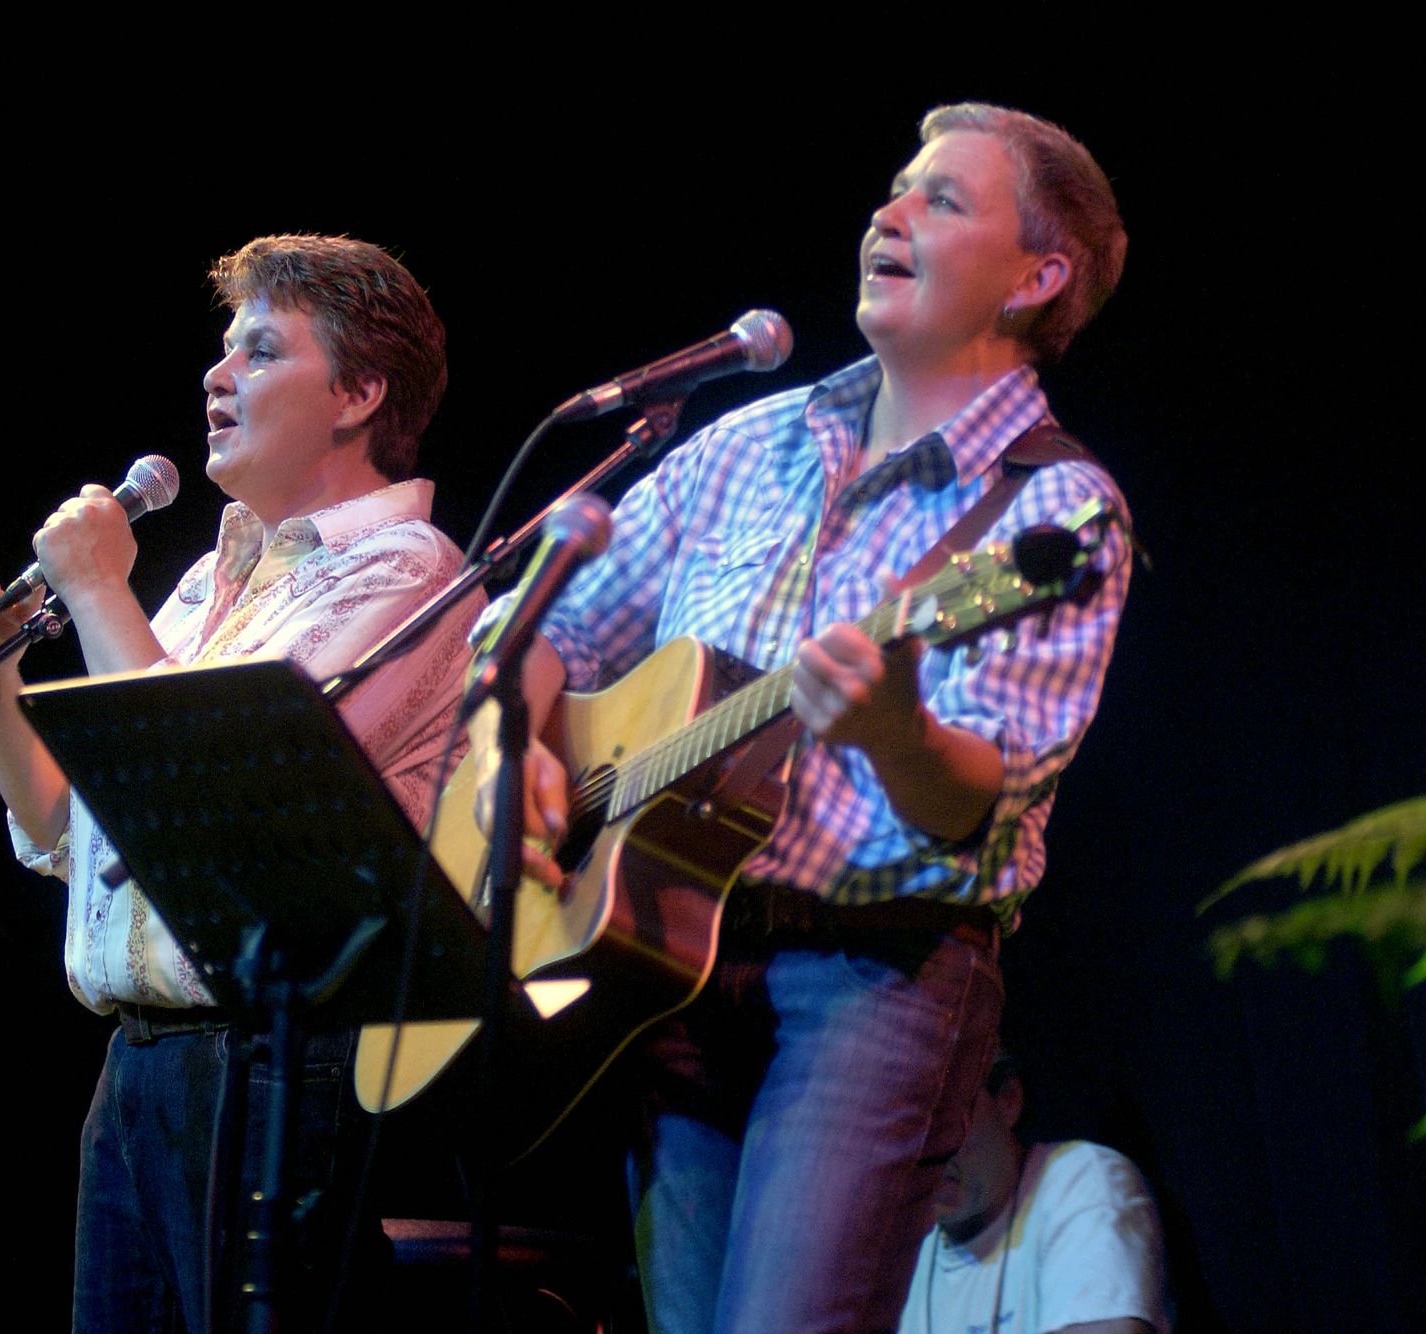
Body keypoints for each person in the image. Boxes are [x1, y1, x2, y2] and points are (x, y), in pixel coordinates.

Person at [481, 103, 1134, 1333]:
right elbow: (536, 629)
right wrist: (515, 761)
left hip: (874, 974)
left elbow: (969, 811)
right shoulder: (750, 441)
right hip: (668, 966)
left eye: (942, 199)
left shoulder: (1055, 512)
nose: (886, 214)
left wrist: (891, 725)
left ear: (1035, 276)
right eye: (893, 189)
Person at [0, 234, 479, 1332]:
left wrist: (92, 592)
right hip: (136, 1066)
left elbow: (214, 814)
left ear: (359, 393)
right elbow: (63, 832)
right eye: (224, 350)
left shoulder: (407, 572)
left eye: (261, 351)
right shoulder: (203, 583)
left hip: (272, 1067)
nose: (217, 377)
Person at [898, 1051, 1170, 1334]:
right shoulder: (905, 1250)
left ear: (1008, 1100)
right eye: (909, 1125)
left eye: (944, 1115)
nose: (928, 1146)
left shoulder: (1081, 1180)